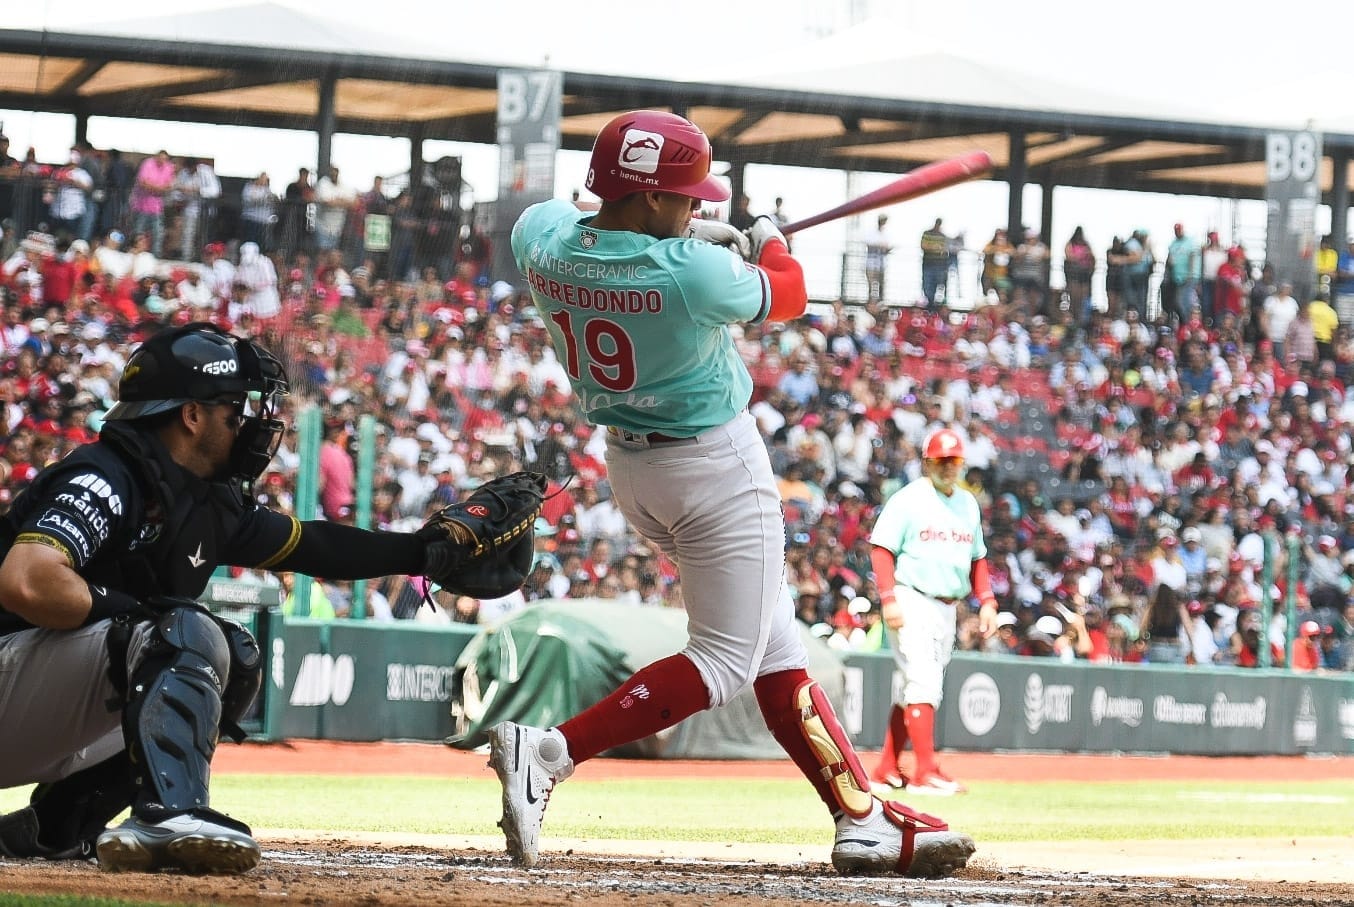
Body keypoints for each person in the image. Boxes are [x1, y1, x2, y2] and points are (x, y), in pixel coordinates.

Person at [496, 109, 973, 878]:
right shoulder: (690, 272)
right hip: (715, 465)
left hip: (630, 465)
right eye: (683, 197)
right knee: (723, 660)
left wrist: (676, 240)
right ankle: (550, 752)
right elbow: (790, 292)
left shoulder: (542, 238)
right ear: (649, 198)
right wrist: (769, 237)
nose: (695, 207)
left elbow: (582, 227)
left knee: (772, 641)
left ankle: (858, 815)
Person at [0, 323, 491, 874]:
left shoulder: (204, 501)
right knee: (182, 631)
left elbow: (315, 546)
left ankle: (55, 828)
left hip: (28, 707)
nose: (249, 425)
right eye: (235, 410)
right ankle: (170, 815)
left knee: (233, 657)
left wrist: (424, 552)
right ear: (191, 415)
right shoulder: (106, 476)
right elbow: (28, 580)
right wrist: (137, 617)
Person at [866, 428, 998, 797]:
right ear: (926, 462)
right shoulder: (908, 499)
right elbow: (881, 549)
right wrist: (889, 597)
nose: (948, 467)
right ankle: (925, 772)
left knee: (914, 684)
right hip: (912, 596)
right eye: (941, 461)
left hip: (947, 605)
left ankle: (886, 769)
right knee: (924, 681)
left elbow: (978, 557)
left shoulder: (968, 504)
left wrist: (987, 600)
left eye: (954, 461)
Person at [861, 213, 892, 303]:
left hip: (881, 263)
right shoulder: (871, 232)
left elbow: (887, 246)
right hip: (871, 263)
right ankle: (870, 301)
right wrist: (880, 246)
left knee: (881, 284)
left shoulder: (886, 233)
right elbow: (868, 243)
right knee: (871, 284)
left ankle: (881, 301)